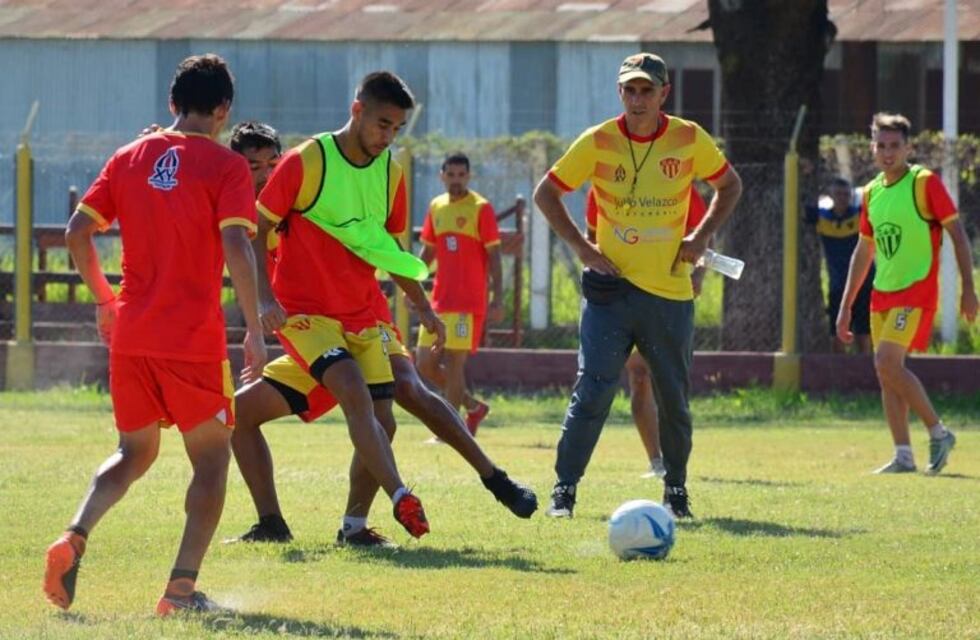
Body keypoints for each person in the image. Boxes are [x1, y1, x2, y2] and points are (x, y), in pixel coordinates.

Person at [228, 72, 537, 548]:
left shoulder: (389, 171)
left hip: (364, 313)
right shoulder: (305, 163)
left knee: (398, 398)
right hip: (309, 319)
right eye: (382, 124)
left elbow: (387, 247)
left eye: (397, 128)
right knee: (362, 397)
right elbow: (256, 236)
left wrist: (423, 305)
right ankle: (378, 501)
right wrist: (264, 304)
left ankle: (487, 480)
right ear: (357, 111)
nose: (388, 136)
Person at [43, 54, 266, 615]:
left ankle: (74, 535)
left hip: (132, 331)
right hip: (191, 339)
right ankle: (180, 592)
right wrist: (256, 330)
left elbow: (77, 233)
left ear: (172, 103)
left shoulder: (127, 156)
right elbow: (238, 247)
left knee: (133, 452)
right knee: (212, 464)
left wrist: (103, 300)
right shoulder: (226, 167)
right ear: (223, 111)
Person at [534, 52, 741, 519]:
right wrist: (583, 250)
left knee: (674, 398)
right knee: (593, 391)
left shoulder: (689, 137)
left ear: (664, 93)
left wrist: (700, 237)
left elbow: (730, 185)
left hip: (670, 294)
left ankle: (677, 490)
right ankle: (564, 491)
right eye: (630, 89)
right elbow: (546, 193)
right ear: (619, 92)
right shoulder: (598, 140)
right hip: (611, 294)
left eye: (647, 89)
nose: (638, 98)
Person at [837, 112, 977, 475]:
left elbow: (958, 235)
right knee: (887, 373)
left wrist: (968, 289)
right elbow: (864, 250)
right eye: (881, 146)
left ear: (908, 147)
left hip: (916, 289)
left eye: (895, 146)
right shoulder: (871, 193)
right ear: (872, 148)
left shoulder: (924, 182)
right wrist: (846, 305)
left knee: (886, 362)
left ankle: (938, 431)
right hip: (882, 293)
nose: (888, 153)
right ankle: (903, 455)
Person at [585, 186, 709, 479]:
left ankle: (675, 457)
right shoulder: (604, 184)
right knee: (639, 377)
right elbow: (592, 237)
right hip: (622, 297)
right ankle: (656, 461)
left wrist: (699, 275)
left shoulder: (681, 186)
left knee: (667, 382)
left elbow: (703, 236)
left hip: (669, 298)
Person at [415, 153, 503, 435]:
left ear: (469, 176)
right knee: (424, 363)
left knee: (454, 363)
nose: (456, 180)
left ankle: (449, 432)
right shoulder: (436, 206)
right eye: (451, 175)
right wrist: (413, 285)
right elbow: (428, 251)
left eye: (461, 175)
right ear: (442, 175)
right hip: (439, 300)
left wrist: (498, 298)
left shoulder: (481, 208)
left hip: (468, 302)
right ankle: (472, 407)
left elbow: (496, 257)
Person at [805, 177, 872, 353]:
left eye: (845, 194)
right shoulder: (821, 217)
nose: (842, 197)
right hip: (838, 283)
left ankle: (865, 367)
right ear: (830, 195)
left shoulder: (860, 215)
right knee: (836, 329)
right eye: (838, 194)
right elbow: (799, 203)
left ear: (851, 196)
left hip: (864, 280)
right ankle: (837, 371)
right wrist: (806, 172)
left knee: (864, 328)